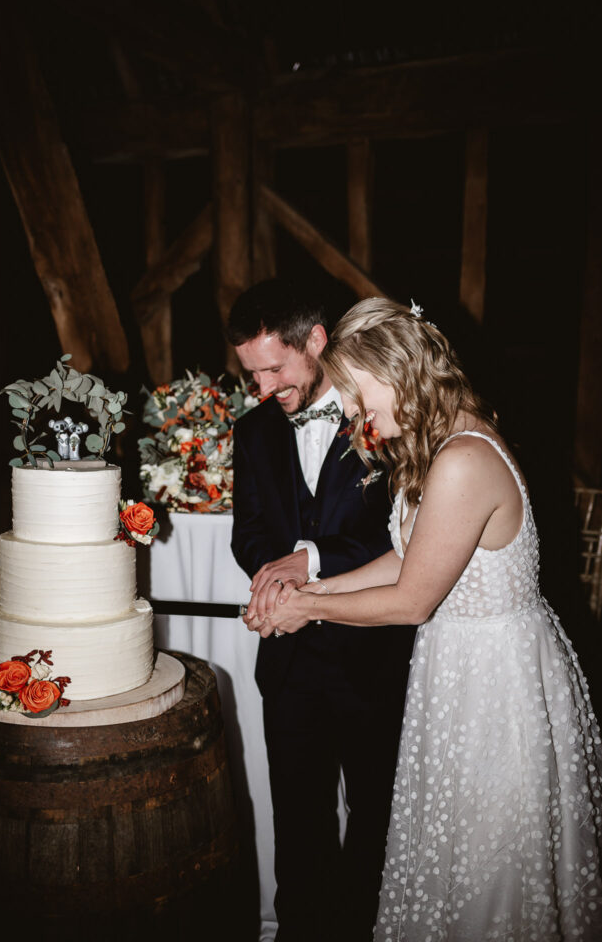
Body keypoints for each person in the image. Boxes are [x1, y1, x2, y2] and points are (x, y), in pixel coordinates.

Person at [248, 295, 602, 941]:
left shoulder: (463, 459)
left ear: (393, 372)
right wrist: (313, 588)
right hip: (458, 669)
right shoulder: (445, 440)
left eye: (357, 396)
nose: (356, 415)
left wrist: (306, 608)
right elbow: (407, 558)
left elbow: (413, 598)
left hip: (492, 685)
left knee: (487, 863)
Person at [227, 280, 415, 942]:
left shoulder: (386, 414)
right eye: (249, 374)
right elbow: (247, 531)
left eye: (273, 369)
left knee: (377, 816)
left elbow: (406, 537)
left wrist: (308, 560)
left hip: (375, 654)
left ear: (316, 341)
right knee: (299, 820)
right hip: (289, 663)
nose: (261, 388)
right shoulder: (250, 432)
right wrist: (270, 579)